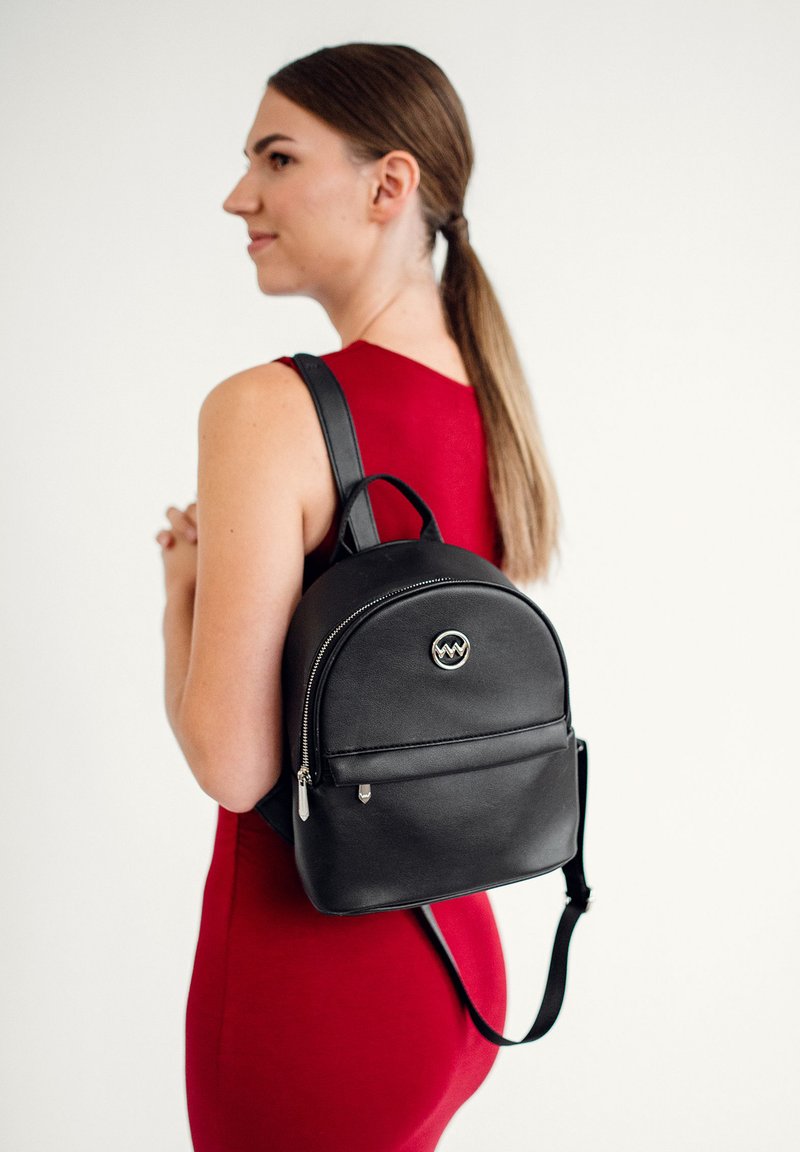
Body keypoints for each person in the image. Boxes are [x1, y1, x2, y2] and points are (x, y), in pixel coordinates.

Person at [155, 42, 562, 1152]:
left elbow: (234, 767)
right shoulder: (489, 396)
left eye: (277, 159)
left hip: (314, 994)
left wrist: (180, 593)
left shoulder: (265, 408)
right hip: (456, 967)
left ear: (389, 185)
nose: (240, 196)